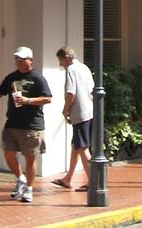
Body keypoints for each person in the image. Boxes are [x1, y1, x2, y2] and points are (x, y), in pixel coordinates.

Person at [0, 46, 52, 204]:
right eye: (16, 59)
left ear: (30, 60)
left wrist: (28, 101)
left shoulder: (37, 77)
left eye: (22, 59)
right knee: (8, 154)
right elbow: (0, 92)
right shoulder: (12, 77)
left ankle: (29, 189)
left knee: (30, 158)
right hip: (12, 123)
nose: (18, 61)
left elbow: (48, 98)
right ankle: (20, 178)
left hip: (31, 124)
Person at [52, 47, 94, 191]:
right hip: (89, 111)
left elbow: (71, 93)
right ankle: (67, 178)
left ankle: (93, 182)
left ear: (67, 58)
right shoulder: (84, 68)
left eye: (60, 60)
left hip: (79, 113)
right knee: (76, 146)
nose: (60, 64)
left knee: (82, 147)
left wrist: (65, 110)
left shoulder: (72, 70)